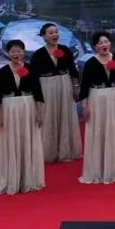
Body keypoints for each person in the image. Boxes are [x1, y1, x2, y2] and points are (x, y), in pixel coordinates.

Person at [0, 40, 46, 194]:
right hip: (9, 108)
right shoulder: (2, 72)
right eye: (13, 51)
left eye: (19, 51)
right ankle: (10, 178)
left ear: (23, 52)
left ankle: (28, 179)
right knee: (11, 142)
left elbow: (38, 93)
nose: (16, 54)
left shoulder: (30, 69)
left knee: (27, 140)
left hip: (28, 107)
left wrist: (40, 113)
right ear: (8, 53)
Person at [77, 34, 115, 184]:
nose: (104, 45)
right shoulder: (90, 63)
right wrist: (85, 106)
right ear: (95, 46)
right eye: (100, 43)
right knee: (99, 130)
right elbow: (85, 86)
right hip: (97, 98)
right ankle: (99, 168)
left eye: (106, 42)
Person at [29, 24, 80, 163]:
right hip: (46, 86)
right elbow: (33, 76)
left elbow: (73, 70)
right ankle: (47, 152)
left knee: (64, 116)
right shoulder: (38, 54)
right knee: (48, 116)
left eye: (56, 32)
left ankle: (65, 151)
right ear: (44, 36)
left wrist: (76, 87)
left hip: (64, 84)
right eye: (50, 33)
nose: (54, 35)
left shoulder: (65, 50)